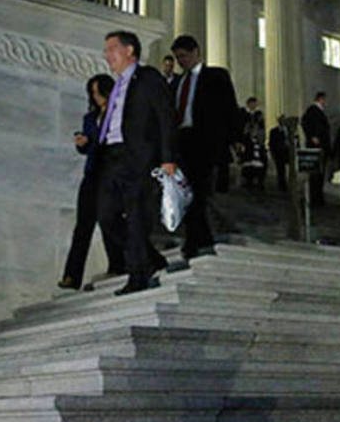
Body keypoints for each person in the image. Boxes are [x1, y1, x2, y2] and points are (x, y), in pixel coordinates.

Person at [96, 31, 177, 296]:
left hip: (139, 157)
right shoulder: (117, 84)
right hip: (112, 157)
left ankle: (139, 274)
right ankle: (150, 258)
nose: (107, 55)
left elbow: (166, 117)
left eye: (111, 49)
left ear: (129, 50)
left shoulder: (149, 78)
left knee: (136, 216)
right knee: (106, 214)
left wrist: (168, 157)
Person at [171, 34, 241, 260]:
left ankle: (197, 243)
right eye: (177, 57)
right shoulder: (176, 83)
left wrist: (235, 139)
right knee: (185, 195)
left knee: (198, 193)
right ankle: (199, 241)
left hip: (205, 142)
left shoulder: (216, 76)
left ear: (195, 52)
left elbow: (230, 107)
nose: (180, 61)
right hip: (181, 142)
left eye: (183, 56)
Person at [58, 74, 123, 290]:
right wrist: (82, 143)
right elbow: (87, 147)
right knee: (83, 225)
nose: (95, 97)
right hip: (92, 173)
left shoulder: (118, 113)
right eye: (92, 93)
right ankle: (71, 275)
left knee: (108, 219)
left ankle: (118, 263)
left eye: (98, 92)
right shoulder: (89, 118)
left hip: (111, 173)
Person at [301, 91, 331, 206]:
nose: (325, 102)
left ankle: (318, 196)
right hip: (316, 145)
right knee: (315, 174)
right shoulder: (312, 110)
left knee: (319, 173)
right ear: (320, 99)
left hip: (321, 146)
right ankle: (315, 198)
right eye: (324, 100)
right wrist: (312, 136)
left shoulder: (319, 112)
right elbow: (306, 123)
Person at [239, 97, 268, 189]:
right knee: (248, 162)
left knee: (260, 161)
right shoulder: (243, 114)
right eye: (252, 104)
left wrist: (259, 135)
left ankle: (259, 180)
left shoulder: (259, 114)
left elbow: (261, 127)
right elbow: (241, 128)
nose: (254, 105)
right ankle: (248, 181)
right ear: (248, 104)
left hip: (257, 142)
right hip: (247, 142)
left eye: (255, 104)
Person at [268, 115, 291, 192]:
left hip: (288, 152)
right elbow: (271, 144)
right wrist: (272, 153)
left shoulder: (289, 130)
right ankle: (282, 185)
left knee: (290, 170)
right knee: (280, 170)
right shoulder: (274, 131)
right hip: (279, 153)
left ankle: (289, 183)